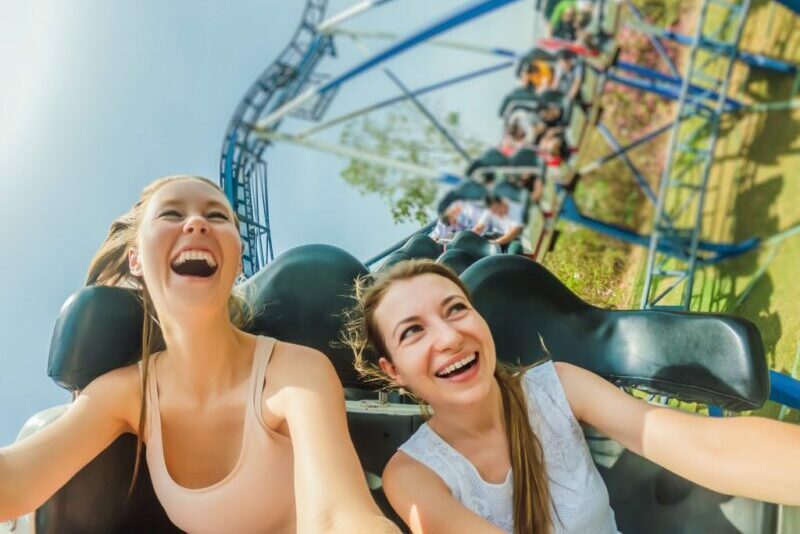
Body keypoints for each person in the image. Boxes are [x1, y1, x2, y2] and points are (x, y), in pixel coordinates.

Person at [0, 175, 399, 533]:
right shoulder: (125, 393)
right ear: (135, 259)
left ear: (238, 258)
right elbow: (15, 480)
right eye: (172, 214)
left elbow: (338, 515)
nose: (196, 223)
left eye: (217, 216)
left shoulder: (294, 371)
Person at [343, 259, 800, 533]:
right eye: (413, 331)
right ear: (393, 371)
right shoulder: (412, 477)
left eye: (456, 309)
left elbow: (702, 445)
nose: (448, 337)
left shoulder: (557, 385)